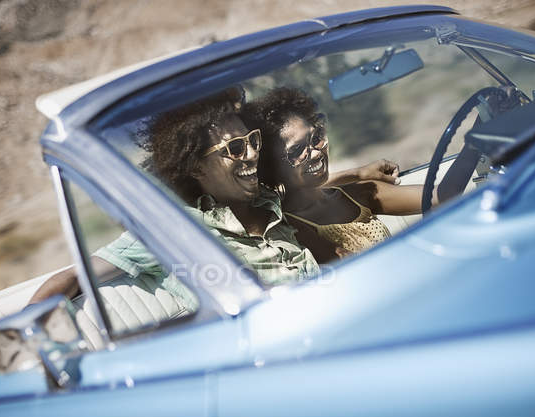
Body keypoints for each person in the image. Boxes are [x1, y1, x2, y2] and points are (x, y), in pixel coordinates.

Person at [30, 87, 321, 307]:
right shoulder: (175, 229)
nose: (252, 154)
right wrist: (29, 343)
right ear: (195, 166)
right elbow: (70, 278)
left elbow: (330, 185)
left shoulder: (269, 201)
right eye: (234, 148)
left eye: (252, 140)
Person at [243, 87, 444, 263]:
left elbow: (442, 195)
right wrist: (357, 173)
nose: (314, 153)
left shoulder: (358, 194)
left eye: (317, 137)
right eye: (296, 152)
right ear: (271, 165)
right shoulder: (291, 228)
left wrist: (472, 143)